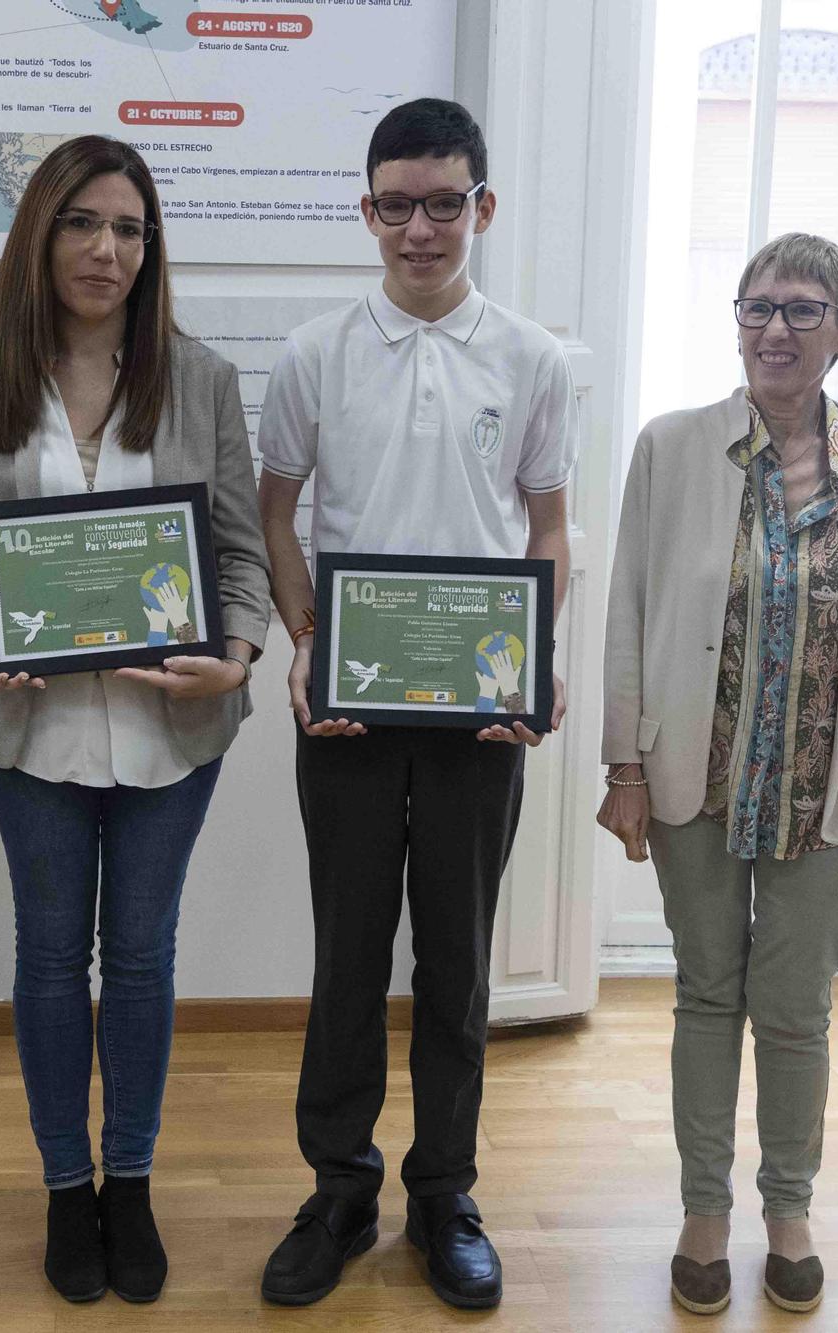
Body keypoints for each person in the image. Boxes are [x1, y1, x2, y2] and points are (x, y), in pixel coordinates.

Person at [0, 135, 271, 1306]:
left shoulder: (201, 378)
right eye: (81, 223)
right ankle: (65, 1188)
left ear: (148, 247)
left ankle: (131, 1180)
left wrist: (238, 655)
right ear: (40, 235)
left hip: (172, 732)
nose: (105, 249)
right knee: (46, 957)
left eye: (127, 228)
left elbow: (235, 547)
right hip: (28, 732)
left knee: (140, 957)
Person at [254, 98, 574, 1311]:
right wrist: (301, 642)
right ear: (366, 211)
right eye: (395, 203)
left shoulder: (531, 358)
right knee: (345, 960)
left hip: (479, 717)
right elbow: (279, 514)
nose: (419, 228)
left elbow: (543, 527)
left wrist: (533, 658)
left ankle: (444, 1192)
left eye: (444, 203)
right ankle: (338, 1188)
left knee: (457, 963)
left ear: (479, 208)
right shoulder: (312, 353)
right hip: (345, 703)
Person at [597, 232, 838, 1316]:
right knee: (705, 993)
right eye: (755, 308)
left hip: (818, 789)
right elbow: (629, 612)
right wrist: (623, 764)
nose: (774, 330)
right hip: (694, 774)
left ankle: (787, 1208)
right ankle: (702, 1209)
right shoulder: (671, 447)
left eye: (801, 310)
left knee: (792, 1009)